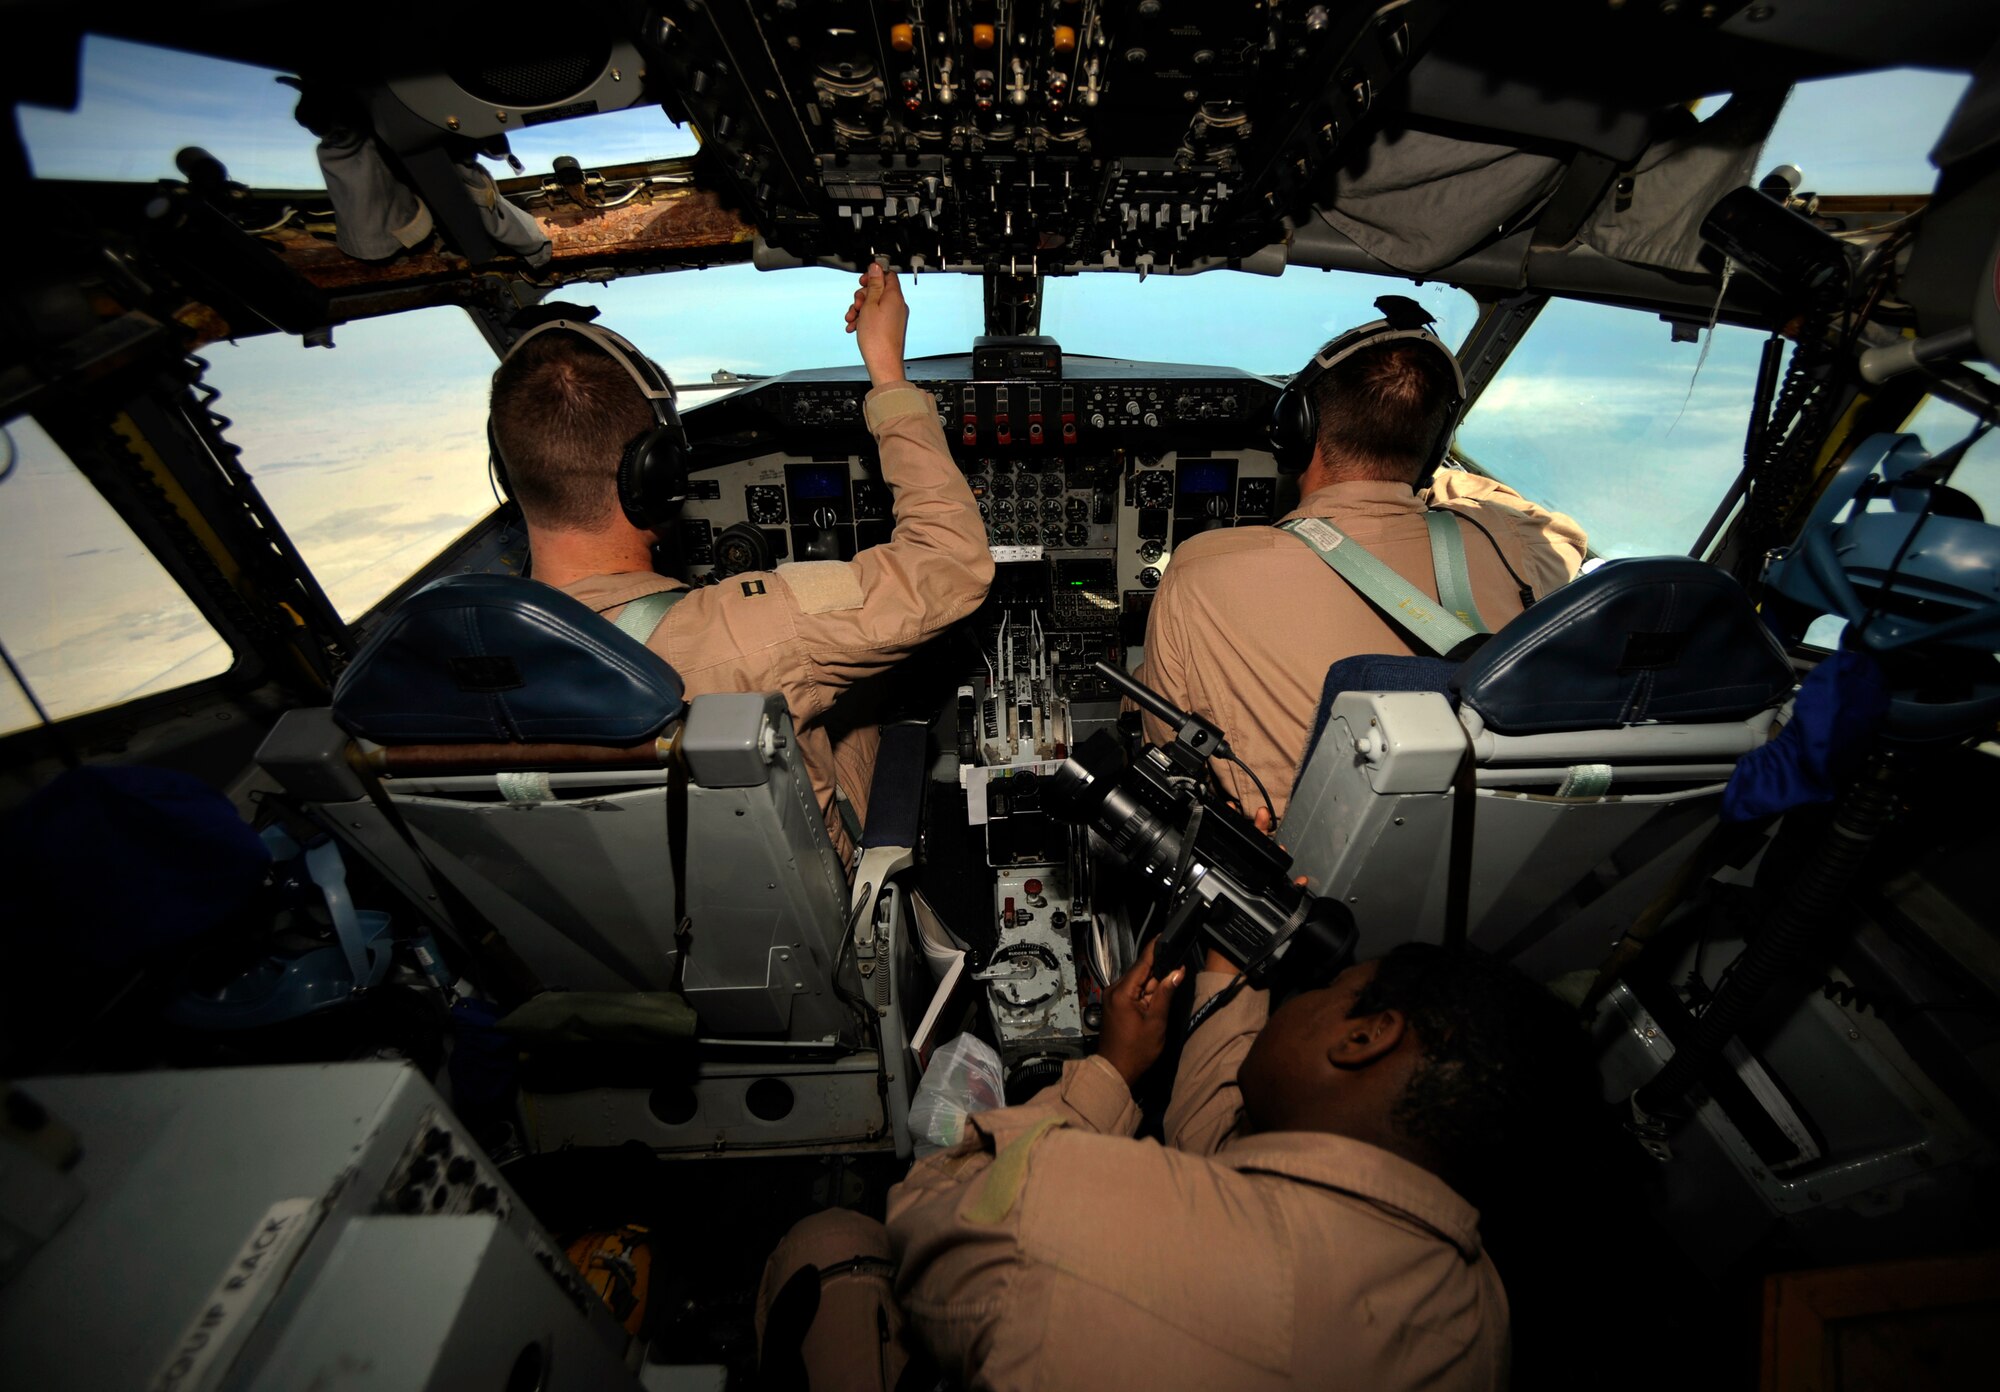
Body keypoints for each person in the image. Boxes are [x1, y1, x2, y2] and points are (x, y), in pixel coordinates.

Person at [757, 938, 1598, 1391]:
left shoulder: (1064, 1206)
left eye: (1332, 989)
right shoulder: (1480, 1309)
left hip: (1005, 1247)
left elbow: (927, 1206)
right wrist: (1234, 969)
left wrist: (1108, 1079)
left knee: (835, 1241)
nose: (1309, 997)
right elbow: (1247, 1165)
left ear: (1367, 1036)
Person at [487, 265, 992, 862]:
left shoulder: (445, 667)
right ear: (660, 476)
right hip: (808, 909)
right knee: (877, 682)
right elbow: (948, 564)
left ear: (506, 475)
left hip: (605, 914)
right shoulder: (753, 630)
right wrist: (887, 371)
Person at [1134, 316, 1588, 822]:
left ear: (1298, 429)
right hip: (1486, 853)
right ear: (1436, 447)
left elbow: (1167, 746)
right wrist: (1431, 483)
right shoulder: (1512, 543)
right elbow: (1559, 532)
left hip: (1300, 870)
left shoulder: (1199, 570)